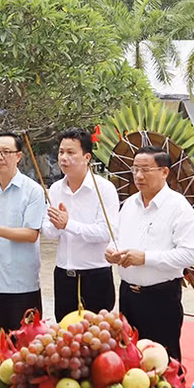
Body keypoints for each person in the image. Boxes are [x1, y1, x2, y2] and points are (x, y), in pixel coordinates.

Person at [105, 146, 194, 364]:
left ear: (164, 172)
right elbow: (116, 237)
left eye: (146, 170)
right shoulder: (129, 204)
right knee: (131, 359)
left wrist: (146, 258)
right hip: (128, 295)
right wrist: (111, 251)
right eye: (135, 169)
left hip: (161, 297)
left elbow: (189, 255)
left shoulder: (178, 207)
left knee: (164, 362)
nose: (139, 176)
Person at [0, 132, 46, 341]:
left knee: (28, 347)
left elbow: (31, 234)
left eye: (6, 152)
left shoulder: (32, 191)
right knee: (1, 343)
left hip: (22, 282)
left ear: (19, 156)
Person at [42, 128, 119, 321]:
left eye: (70, 153)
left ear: (86, 157)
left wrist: (68, 224)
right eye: (61, 152)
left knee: (97, 339)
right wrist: (56, 225)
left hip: (95, 275)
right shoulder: (55, 189)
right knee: (65, 338)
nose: (63, 158)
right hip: (63, 275)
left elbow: (105, 232)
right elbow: (49, 232)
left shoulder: (104, 189)